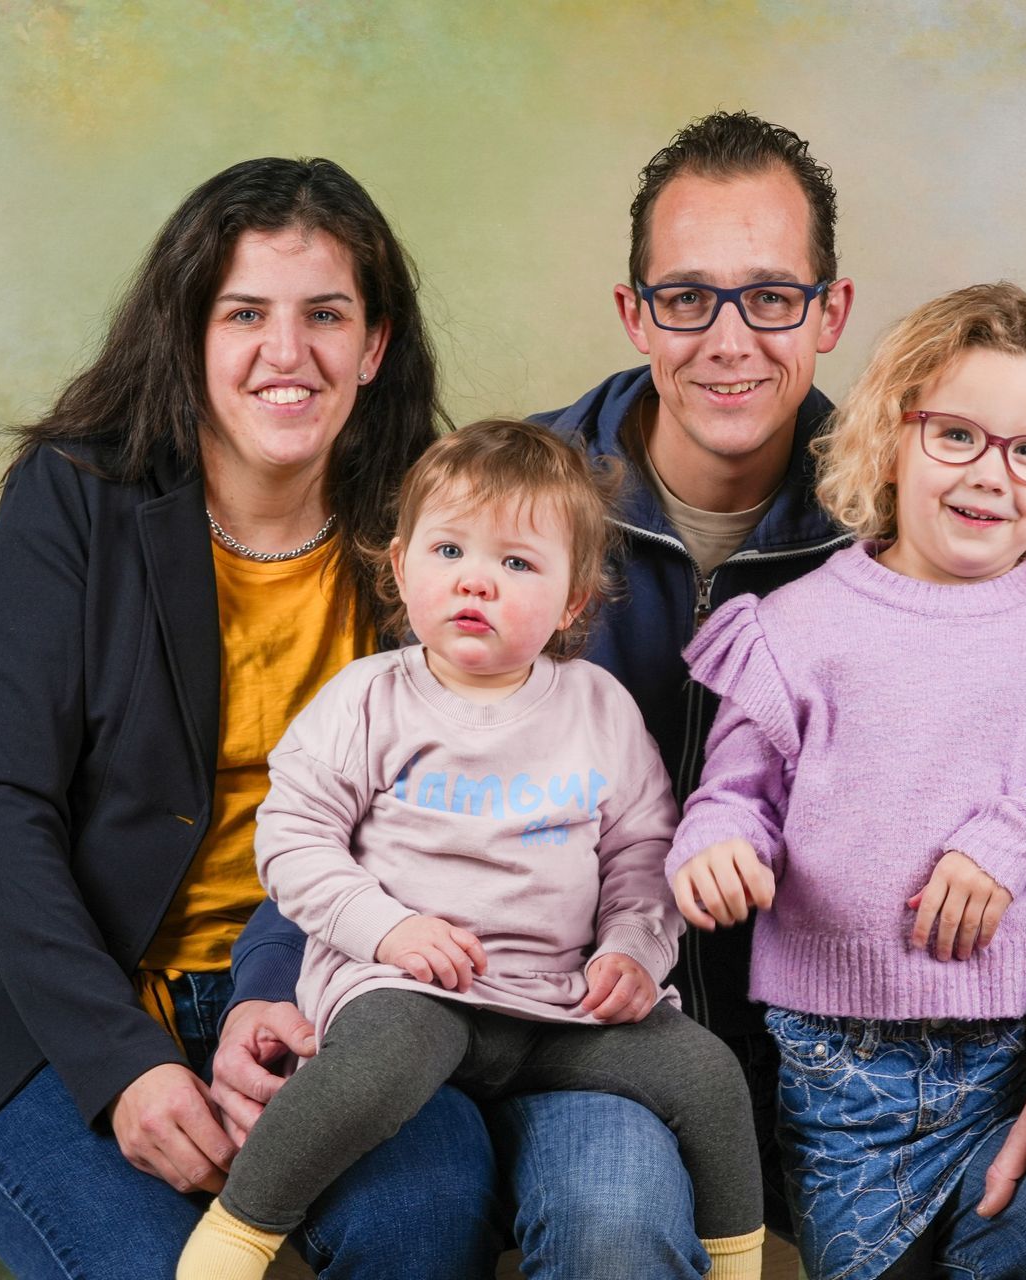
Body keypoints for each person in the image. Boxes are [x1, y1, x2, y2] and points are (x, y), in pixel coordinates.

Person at [225, 111, 1026, 1280]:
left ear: (830, 312)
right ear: (633, 312)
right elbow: (361, 760)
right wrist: (272, 985)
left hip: (871, 1046)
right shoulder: (512, 510)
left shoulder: (923, 514)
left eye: (770, 297)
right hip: (569, 1012)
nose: (729, 339)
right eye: (686, 297)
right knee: (602, 1219)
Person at [0, 156, 448, 1279]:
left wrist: (284, 1003)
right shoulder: (73, 495)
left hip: (319, 1009)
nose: (288, 354)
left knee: (427, 1222)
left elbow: (440, 821)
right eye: (245, 313)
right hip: (65, 1012)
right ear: (188, 333)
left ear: (373, 345)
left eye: (325, 314)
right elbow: (6, 807)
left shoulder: (429, 529)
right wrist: (124, 1063)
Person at [667, 281, 1026, 1279]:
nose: (991, 474)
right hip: (845, 1095)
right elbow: (731, 793)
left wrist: (1008, 835)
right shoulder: (795, 629)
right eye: (956, 433)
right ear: (891, 438)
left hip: (1022, 1056)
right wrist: (716, 844)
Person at [178, 419, 765, 1279]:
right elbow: (294, 841)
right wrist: (387, 930)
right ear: (401, 563)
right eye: (449, 551)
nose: (476, 583)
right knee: (372, 1070)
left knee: (707, 1076)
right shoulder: (369, 699)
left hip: (556, 1004)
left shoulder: (597, 707)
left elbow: (644, 854)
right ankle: (238, 1233)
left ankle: (738, 1259)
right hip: (412, 988)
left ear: (572, 602)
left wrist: (633, 951)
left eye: (517, 564)